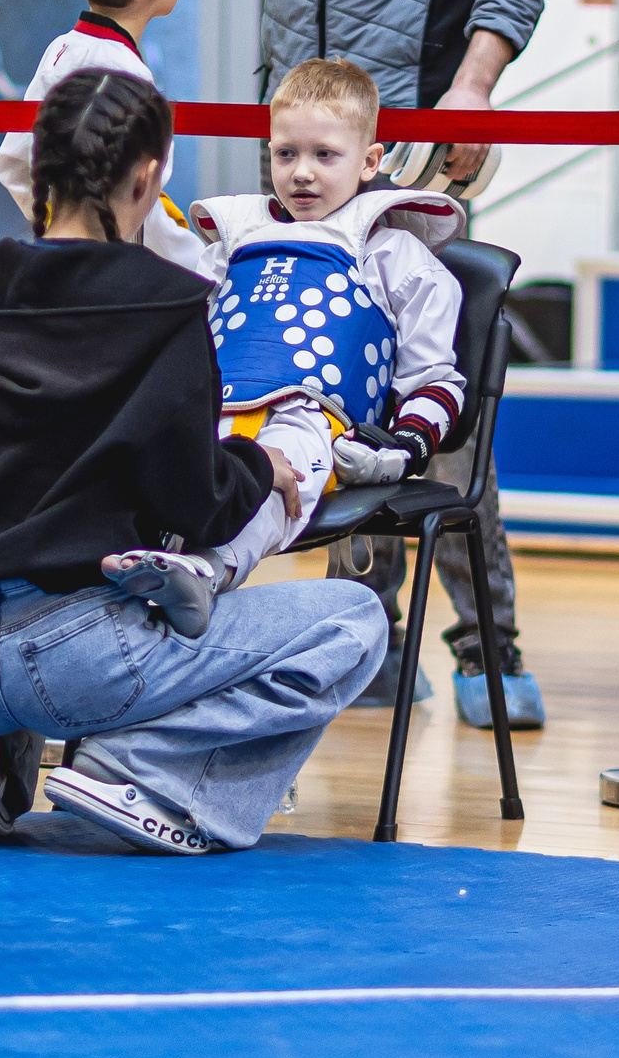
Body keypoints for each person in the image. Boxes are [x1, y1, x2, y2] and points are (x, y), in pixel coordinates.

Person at [176, 0, 558, 728]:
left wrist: (472, 93)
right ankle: (365, 639)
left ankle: (484, 645)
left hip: (406, 140)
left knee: (425, 393)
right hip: (296, 135)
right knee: (315, 389)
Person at [0, 73, 386, 853]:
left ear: (38, 167)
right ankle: (145, 774)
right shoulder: (172, 307)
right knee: (354, 618)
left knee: (8, 634)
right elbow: (197, 507)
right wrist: (259, 465)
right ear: (147, 175)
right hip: (83, 663)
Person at [96, 58, 467, 634]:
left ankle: (208, 570)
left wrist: (404, 448)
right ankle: (12, 580)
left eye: (325, 155)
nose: (301, 174)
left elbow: (435, 380)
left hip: (321, 421)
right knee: (117, 453)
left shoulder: (394, 254)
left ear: (370, 161)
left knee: (281, 467)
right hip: (211, 407)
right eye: (286, 153)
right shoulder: (237, 241)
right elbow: (188, 336)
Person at [0, 0, 206, 268]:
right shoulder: (126, 78)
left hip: (63, 260)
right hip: (112, 270)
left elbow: (13, 159)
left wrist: (54, 226)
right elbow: (143, 202)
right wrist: (202, 271)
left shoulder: (61, 49)